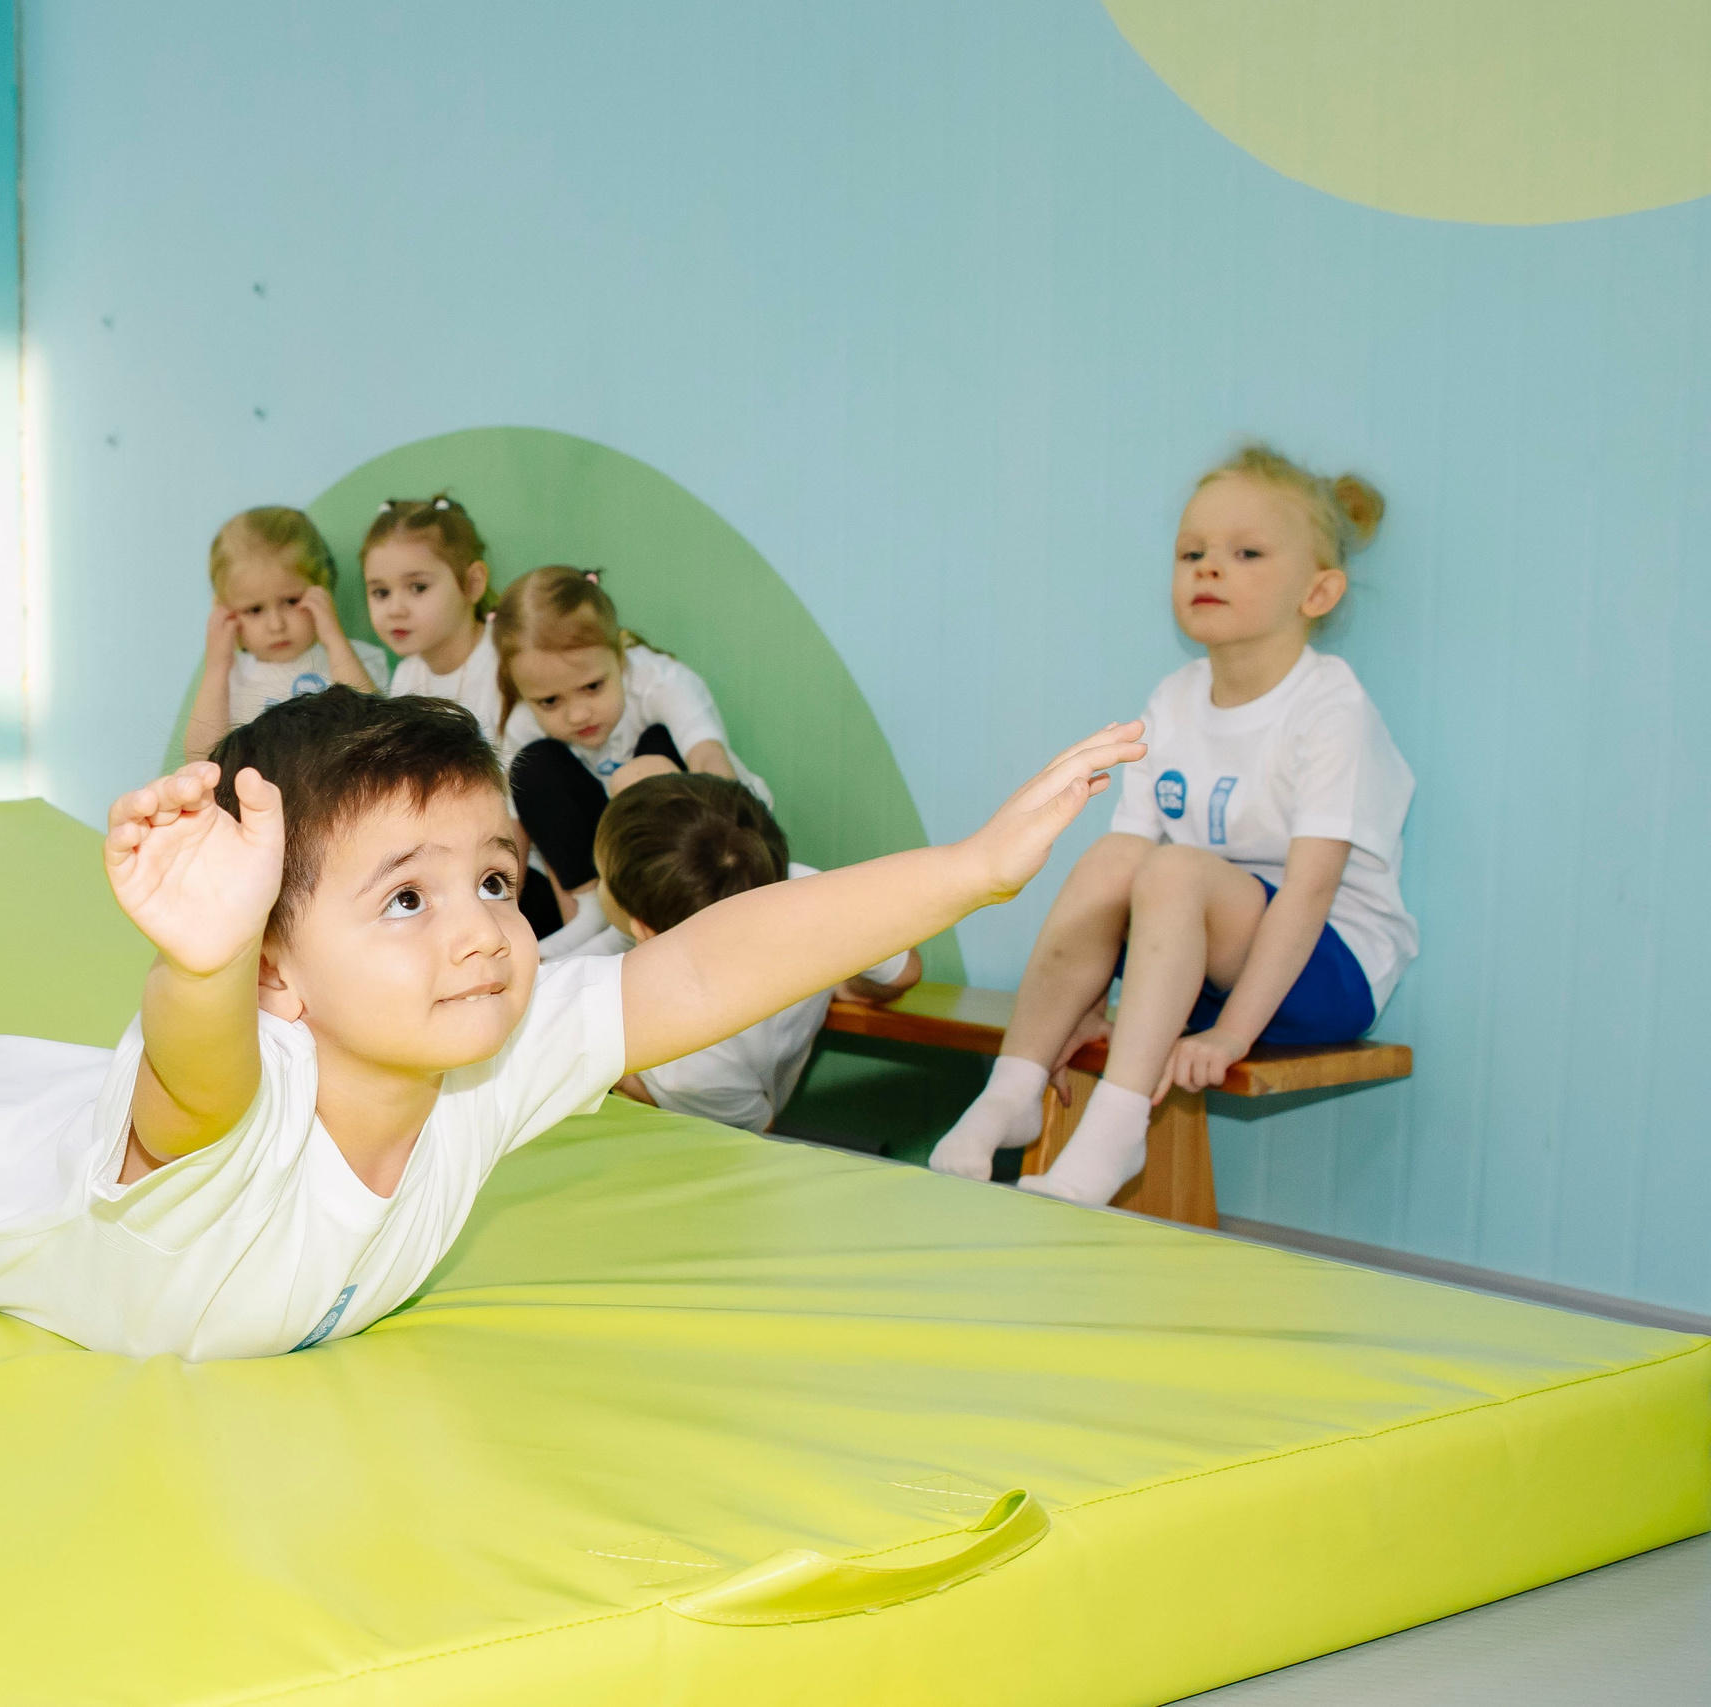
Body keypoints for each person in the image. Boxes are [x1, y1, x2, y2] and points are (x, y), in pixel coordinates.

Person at [0, 686, 1142, 1361]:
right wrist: (203, 960)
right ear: (283, 969)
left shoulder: (483, 1050)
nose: (479, 928)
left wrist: (973, 872)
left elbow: (706, 964)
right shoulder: (225, 1081)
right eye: (406, 895)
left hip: (25, 1107)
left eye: (489, 876)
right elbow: (203, 1071)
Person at [930, 444, 1415, 1205]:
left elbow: (1310, 894)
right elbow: (1125, 883)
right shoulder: (1175, 697)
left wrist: (1232, 1035)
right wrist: (1088, 997)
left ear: (1317, 592)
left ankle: (1117, 1132)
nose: (1208, 568)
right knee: (1118, 856)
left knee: (1173, 866)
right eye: (1192, 552)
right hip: (1203, 959)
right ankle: (1013, 1087)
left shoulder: (1331, 709)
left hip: (1323, 967)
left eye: (1246, 552)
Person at [580, 773, 922, 1133]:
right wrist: (847, 983)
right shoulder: (808, 890)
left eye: (602, 878)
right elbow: (906, 972)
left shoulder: (688, 1062)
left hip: (724, 1125)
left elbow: (758, 1135)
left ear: (646, 931)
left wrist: (624, 1076)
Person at [491, 566, 767, 943]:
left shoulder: (661, 683)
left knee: (654, 746)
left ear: (620, 658)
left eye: (592, 686)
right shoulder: (524, 723)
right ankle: (592, 912)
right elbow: (513, 829)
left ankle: (676, 908)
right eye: (550, 701)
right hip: (610, 848)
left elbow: (708, 761)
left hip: (703, 831)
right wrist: (499, 913)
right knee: (532, 767)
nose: (577, 714)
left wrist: (738, 858)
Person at [183, 507, 389, 761]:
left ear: (322, 587)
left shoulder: (357, 660)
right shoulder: (228, 681)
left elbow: (374, 733)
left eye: (291, 601)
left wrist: (335, 641)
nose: (276, 625)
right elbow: (200, 759)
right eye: (254, 609)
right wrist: (216, 669)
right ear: (226, 611)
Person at [362, 495, 503, 742]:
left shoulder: (505, 663)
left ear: (472, 584)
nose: (395, 610)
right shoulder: (408, 675)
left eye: (418, 587)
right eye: (381, 592)